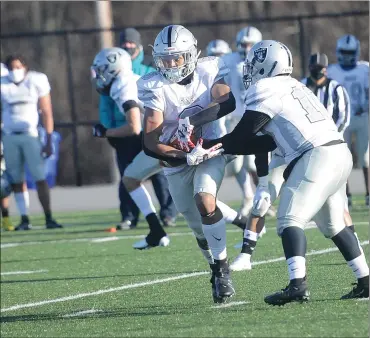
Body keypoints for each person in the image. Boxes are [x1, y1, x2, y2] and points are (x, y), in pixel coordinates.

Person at [201, 40, 369, 302]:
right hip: (338, 151)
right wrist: (220, 146)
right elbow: (267, 141)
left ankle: (297, 285)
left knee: (290, 219)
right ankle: (366, 281)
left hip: (317, 155)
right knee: (334, 225)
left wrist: (207, 145)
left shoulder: (266, 88)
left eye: (255, 64)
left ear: (269, 64)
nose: (250, 70)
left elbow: (242, 136)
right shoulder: (296, 86)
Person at [139, 24, 239, 303]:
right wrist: (184, 155)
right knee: (197, 226)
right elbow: (150, 143)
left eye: (177, 58)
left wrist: (191, 121)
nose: (170, 64)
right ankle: (214, 264)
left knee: (205, 200)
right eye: (165, 59)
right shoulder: (155, 86)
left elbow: (227, 101)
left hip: (210, 148)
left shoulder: (208, 71)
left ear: (192, 55)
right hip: (176, 160)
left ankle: (222, 272)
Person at [229, 52, 355, 272]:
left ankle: (301, 280)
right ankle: (246, 254)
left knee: (326, 213)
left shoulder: (284, 89)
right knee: (262, 198)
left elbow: (338, 120)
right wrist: (263, 179)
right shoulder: (298, 85)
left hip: (313, 152)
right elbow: (261, 141)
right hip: (284, 153)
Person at [91, 47, 170, 249]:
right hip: (165, 134)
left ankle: (243, 224)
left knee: (193, 200)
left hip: (167, 137)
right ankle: (156, 230)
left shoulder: (122, 86)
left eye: (102, 69)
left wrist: (105, 133)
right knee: (130, 179)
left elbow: (134, 127)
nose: (99, 75)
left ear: (113, 68)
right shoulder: (129, 79)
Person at [117, 27, 178, 228]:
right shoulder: (117, 70)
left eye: (131, 42)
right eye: (124, 42)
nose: (127, 45)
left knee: (162, 176)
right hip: (131, 130)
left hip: (153, 129)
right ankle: (138, 219)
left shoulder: (149, 70)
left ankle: (168, 213)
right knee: (129, 177)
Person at [1, 55, 62, 230]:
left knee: (40, 177)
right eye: (11, 68)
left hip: (31, 135)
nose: (15, 71)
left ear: (25, 67)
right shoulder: (3, 84)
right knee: (16, 179)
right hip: (10, 136)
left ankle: (48, 217)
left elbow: (46, 111)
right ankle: (24, 218)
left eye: (18, 67)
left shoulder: (37, 80)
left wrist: (49, 139)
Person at [222, 27, 275, 219]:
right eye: (243, 44)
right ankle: (248, 197)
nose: (246, 48)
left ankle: (264, 198)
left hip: (257, 116)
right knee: (236, 166)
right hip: (235, 117)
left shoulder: (265, 62)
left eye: (250, 44)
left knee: (255, 164)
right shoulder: (229, 61)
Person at [327, 35, 369, 207]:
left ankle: (368, 194)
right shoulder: (332, 70)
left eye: (349, 52)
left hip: (362, 116)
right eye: (343, 52)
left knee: (366, 157)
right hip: (342, 118)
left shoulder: (365, 69)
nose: (346, 56)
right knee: (342, 158)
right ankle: (346, 194)